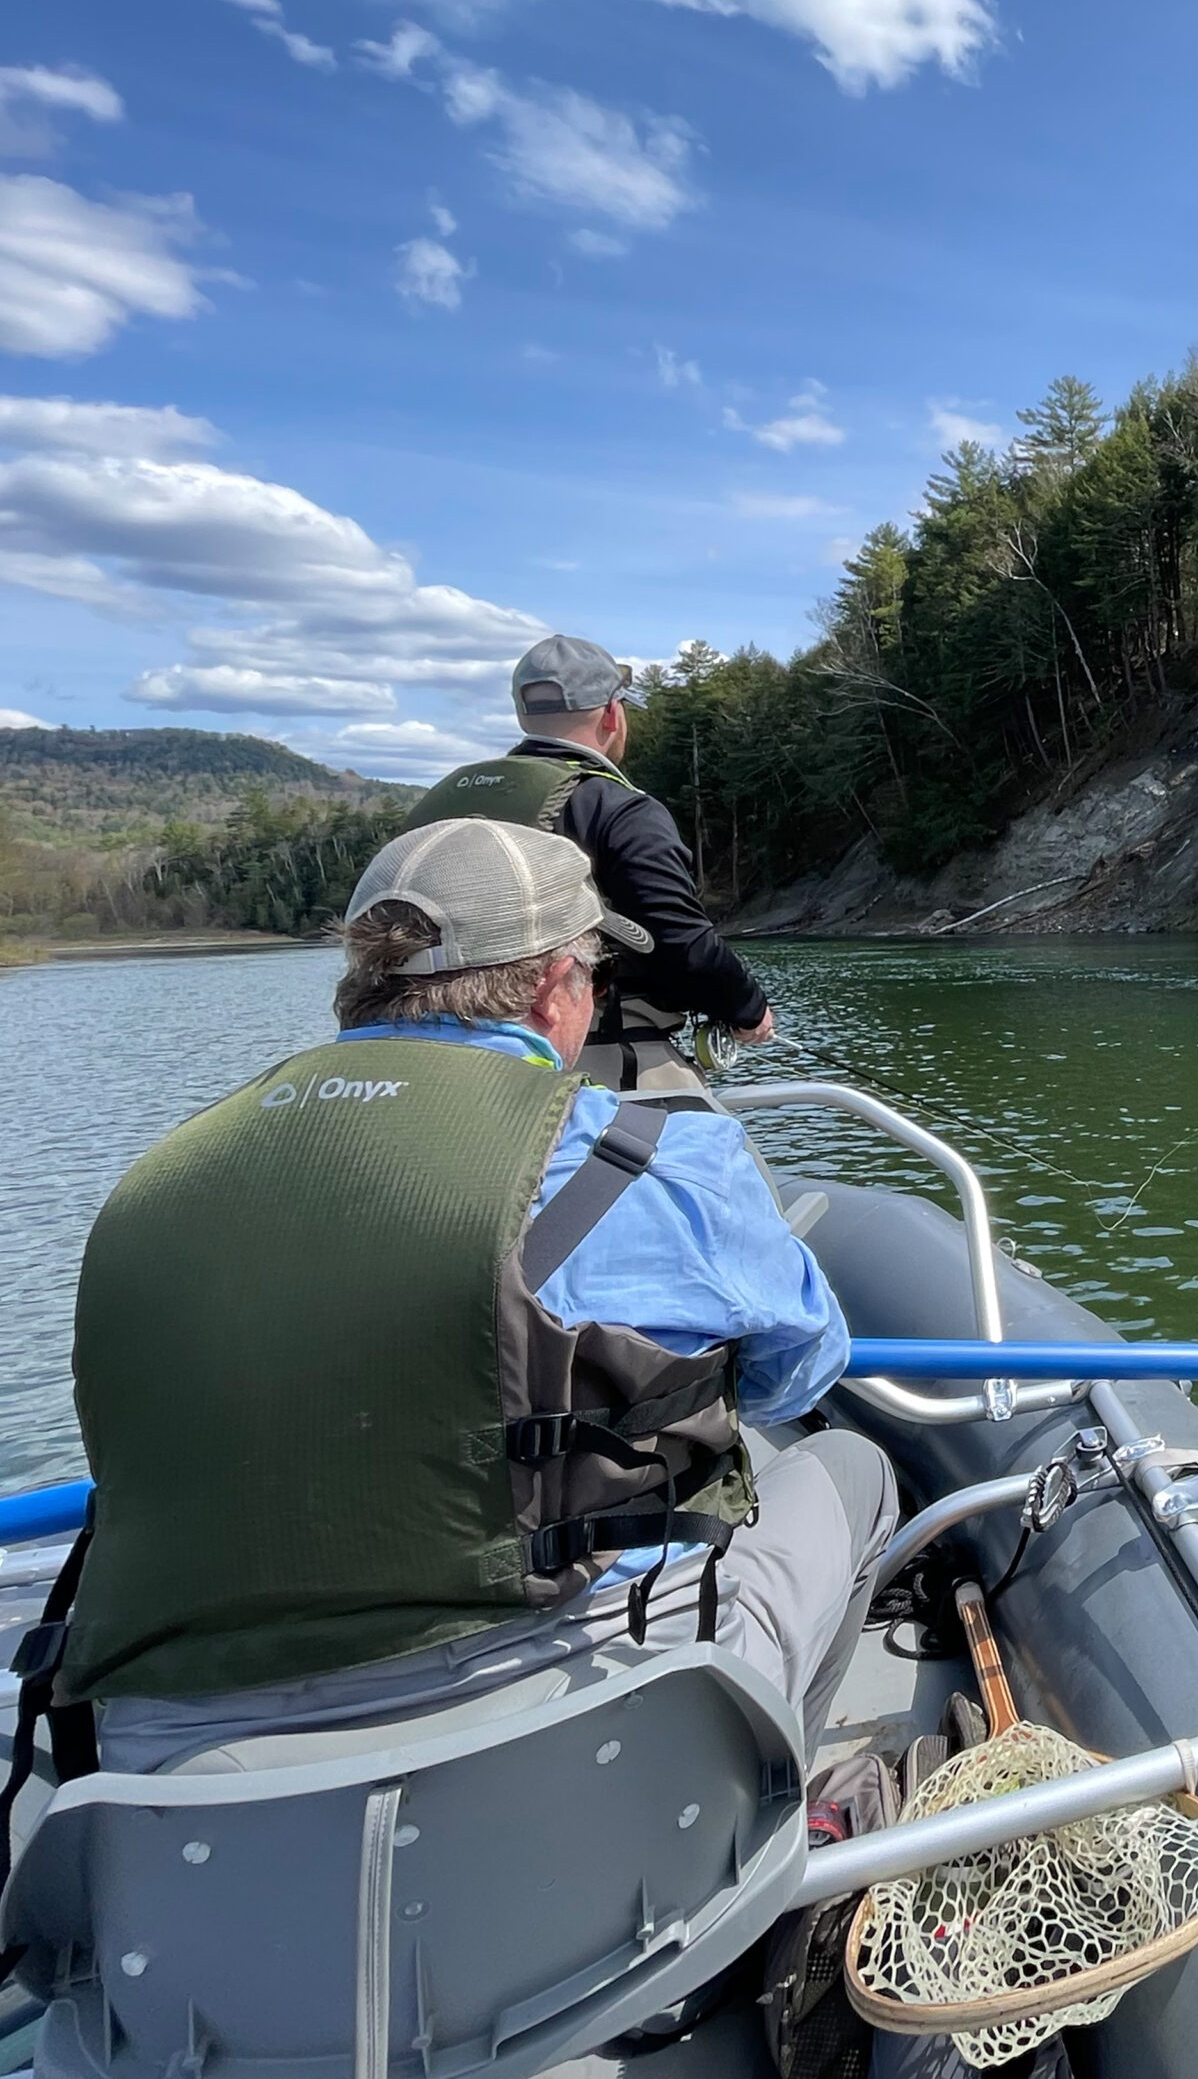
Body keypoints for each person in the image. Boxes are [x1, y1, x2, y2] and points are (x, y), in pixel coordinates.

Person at [60, 816, 895, 1771]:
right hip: (578, 1714)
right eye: (593, 974)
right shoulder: (660, 1155)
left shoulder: (159, 1180)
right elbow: (795, 1376)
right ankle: (773, 1812)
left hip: (176, 1760)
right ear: (553, 987)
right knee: (852, 1468)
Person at [405, 632, 773, 1090]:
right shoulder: (618, 808)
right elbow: (680, 941)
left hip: (433, 1062)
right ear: (613, 715)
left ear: (522, 716)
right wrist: (748, 1008)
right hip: (594, 1054)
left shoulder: (441, 805)